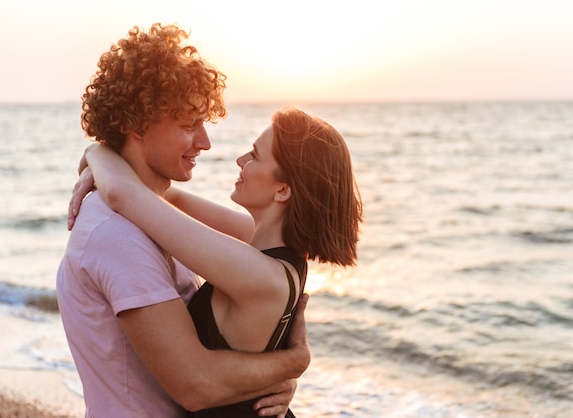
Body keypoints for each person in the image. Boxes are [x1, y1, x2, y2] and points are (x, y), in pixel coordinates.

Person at [57, 23, 310, 418]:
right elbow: (196, 386)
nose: (205, 142)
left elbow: (267, 259)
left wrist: (99, 155)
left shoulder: (154, 218)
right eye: (189, 125)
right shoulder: (117, 235)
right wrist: (293, 362)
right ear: (137, 124)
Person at [70, 106, 363, 417]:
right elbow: (168, 199)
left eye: (254, 156)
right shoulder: (268, 247)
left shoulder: (259, 274)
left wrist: (96, 153)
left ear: (283, 189)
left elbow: (124, 194)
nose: (240, 161)